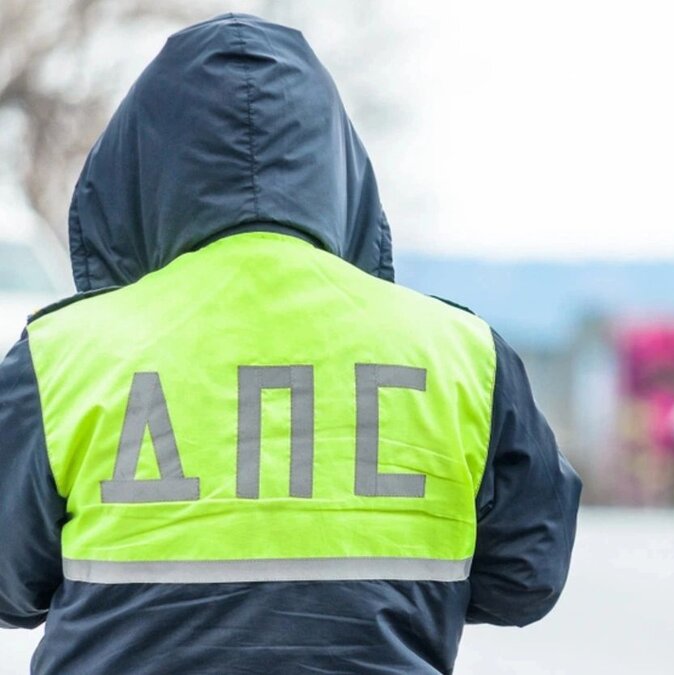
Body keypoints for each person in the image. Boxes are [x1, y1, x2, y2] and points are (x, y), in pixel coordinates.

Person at [0, 13, 581, 674]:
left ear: (136, 171)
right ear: (338, 168)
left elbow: (9, 580)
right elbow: (525, 577)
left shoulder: (61, 356)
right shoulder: (462, 355)